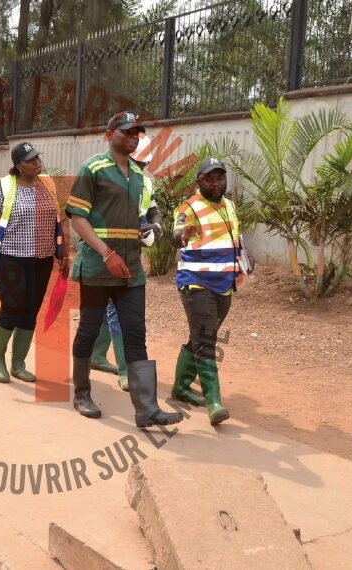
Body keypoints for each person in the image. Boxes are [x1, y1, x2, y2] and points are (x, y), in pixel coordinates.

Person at [66, 111, 181, 428]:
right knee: (89, 330)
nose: (134, 136)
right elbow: (77, 217)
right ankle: (82, 394)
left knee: (135, 334)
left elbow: (148, 213)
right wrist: (106, 253)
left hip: (131, 269)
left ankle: (146, 408)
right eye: (127, 131)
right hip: (97, 267)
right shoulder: (93, 168)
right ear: (109, 134)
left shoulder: (139, 176)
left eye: (138, 132)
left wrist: (152, 229)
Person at [0, 142, 67, 383]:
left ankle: (18, 363)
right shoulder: (1, 187)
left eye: (37, 158)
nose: (36, 162)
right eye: (30, 160)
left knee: (31, 309)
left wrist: (62, 252)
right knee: (13, 306)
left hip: (41, 259)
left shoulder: (48, 184)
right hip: (9, 258)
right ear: (18, 166)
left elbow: (57, 221)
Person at [170, 157, 252, 425]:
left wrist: (240, 266)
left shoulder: (229, 206)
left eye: (219, 178)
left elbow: (233, 238)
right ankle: (214, 402)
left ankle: (181, 388)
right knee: (206, 339)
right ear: (199, 182)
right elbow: (178, 231)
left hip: (225, 284)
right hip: (197, 283)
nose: (215, 183)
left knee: (201, 335)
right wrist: (180, 235)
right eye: (209, 178)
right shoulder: (189, 207)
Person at [89, 132, 157, 392]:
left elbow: (152, 208)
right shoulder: (103, 174)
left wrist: (155, 225)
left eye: (142, 165)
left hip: (129, 253)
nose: (138, 169)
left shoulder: (145, 183)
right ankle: (126, 370)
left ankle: (97, 355)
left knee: (112, 306)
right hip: (104, 251)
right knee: (114, 310)